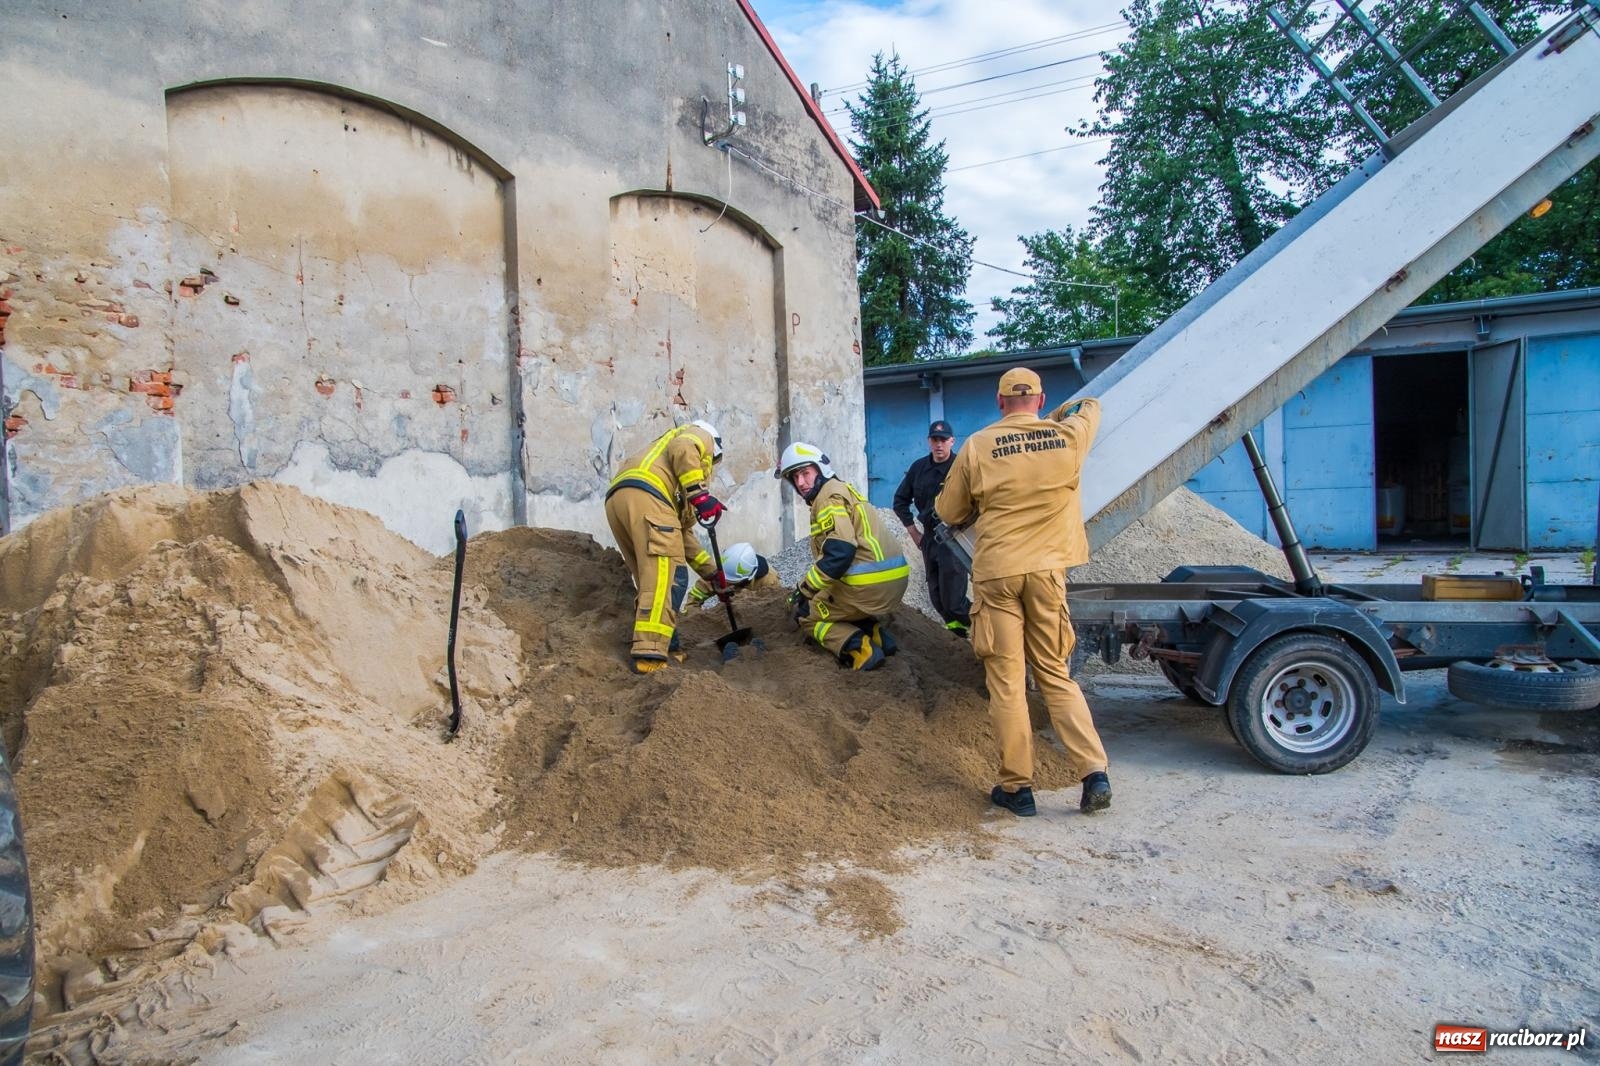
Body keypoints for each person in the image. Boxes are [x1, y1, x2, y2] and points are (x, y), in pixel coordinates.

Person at [935, 367, 1112, 817]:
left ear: (999, 402)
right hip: (1048, 572)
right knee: (1055, 673)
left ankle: (1018, 788)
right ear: (1039, 399)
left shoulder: (977, 445)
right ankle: (1094, 774)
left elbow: (948, 510)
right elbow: (1089, 408)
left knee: (1008, 684)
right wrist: (1053, 415)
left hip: (996, 575)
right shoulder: (1068, 438)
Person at [603, 419, 726, 673]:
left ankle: (669, 645)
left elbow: (682, 537)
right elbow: (684, 446)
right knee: (670, 578)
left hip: (621, 500)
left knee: (652, 578)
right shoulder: (700, 436)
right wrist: (700, 494)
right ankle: (650, 657)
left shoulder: (662, 463)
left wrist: (711, 574)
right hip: (649, 497)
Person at [775, 442, 909, 671]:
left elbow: (840, 551)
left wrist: (805, 589)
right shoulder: (843, 489)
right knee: (834, 597)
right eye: (794, 477)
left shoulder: (827, 498)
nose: (800, 483)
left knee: (807, 613)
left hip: (868, 587)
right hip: (893, 582)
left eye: (805, 473)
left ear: (820, 470)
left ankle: (861, 650)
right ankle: (877, 636)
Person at [892, 419, 972, 638]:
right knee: (937, 597)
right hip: (929, 539)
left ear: (952, 441)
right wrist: (913, 532)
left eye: (943, 440)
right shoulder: (919, 468)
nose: (939, 444)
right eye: (935, 440)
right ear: (929, 441)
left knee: (954, 601)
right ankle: (959, 637)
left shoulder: (961, 467)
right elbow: (900, 501)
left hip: (954, 538)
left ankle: (989, 627)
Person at [685, 541, 777, 608]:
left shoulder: (769, 580)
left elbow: (775, 609)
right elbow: (695, 596)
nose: (728, 584)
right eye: (727, 580)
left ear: (748, 578)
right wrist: (694, 617)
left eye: (734, 582)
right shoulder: (718, 573)